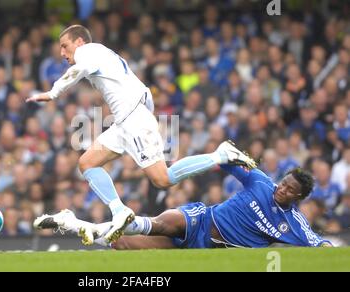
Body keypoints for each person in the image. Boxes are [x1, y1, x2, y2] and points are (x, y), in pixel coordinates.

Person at [28, 25, 257, 244]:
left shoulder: (88, 51)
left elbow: (78, 71)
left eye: (65, 46)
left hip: (133, 119)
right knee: (87, 162)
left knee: (162, 179)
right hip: (124, 121)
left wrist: (53, 92)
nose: (62, 52)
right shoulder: (102, 54)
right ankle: (119, 211)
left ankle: (221, 155)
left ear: (79, 42)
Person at [34, 144, 333, 248]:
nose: (282, 189)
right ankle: (80, 222)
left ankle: (72, 223)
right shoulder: (261, 182)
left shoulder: (293, 224)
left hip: (214, 248)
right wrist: (230, 154)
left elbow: (320, 246)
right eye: (283, 183)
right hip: (202, 219)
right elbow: (225, 160)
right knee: (163, 223)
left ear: (298, 197)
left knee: (122, 243)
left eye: (290, 190)